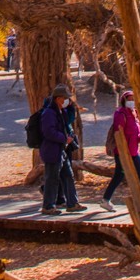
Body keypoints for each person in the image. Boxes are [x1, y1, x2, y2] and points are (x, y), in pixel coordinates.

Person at [39, 84, 86, 216]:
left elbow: (68, 121)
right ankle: (48, 206)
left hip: (62, 150)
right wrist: (64, 138)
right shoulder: (48, 113)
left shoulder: (60, 112)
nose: (67, 101)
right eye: (65, 98)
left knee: (68, 175)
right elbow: (48, 132)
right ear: (58, 98)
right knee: (52, 178)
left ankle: (72, 203)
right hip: (52, 150)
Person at [99, 90, 140, 213]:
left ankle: (139, 202)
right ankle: (106, 200)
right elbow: (119, 132)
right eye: (129, 99)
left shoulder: (134, 113)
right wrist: (123, 148)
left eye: (133, 99)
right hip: (122, 152)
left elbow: (136, 131)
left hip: (134, 151)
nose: (132, 101)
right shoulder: (120, 114)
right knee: (119, 175)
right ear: (124, 101)